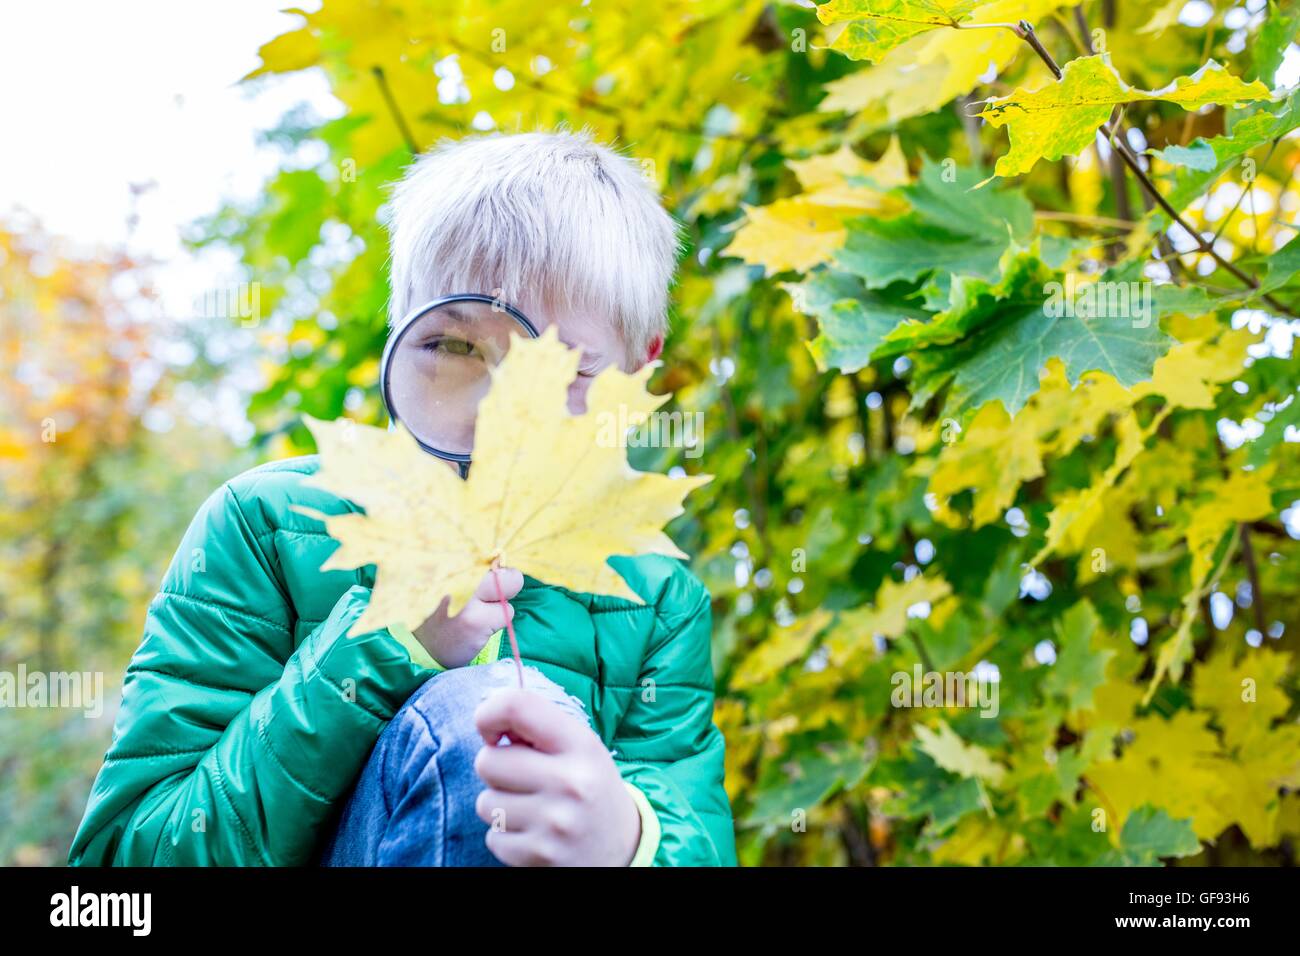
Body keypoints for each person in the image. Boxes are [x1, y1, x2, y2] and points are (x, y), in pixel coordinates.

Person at [67, 130, 736, 867]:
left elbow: (698, 836)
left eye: (565, 368)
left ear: (641, 367)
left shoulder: (660, 601)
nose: (495, 411)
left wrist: (632, 840)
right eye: (454, 349)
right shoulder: (266, 529)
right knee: (469, 723)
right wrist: (386, 641)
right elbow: (117, 873)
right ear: (398, 332)